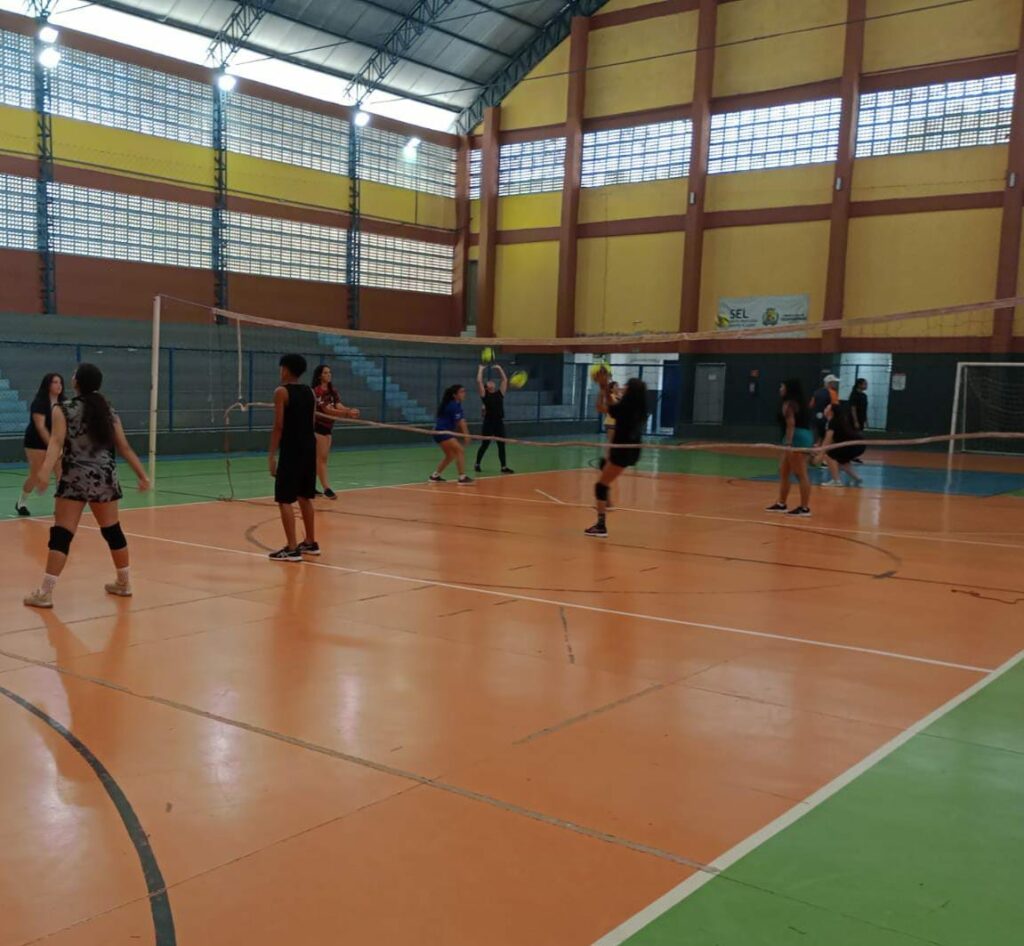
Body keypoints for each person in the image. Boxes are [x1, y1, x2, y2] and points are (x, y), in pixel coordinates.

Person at [23, 364, 150, 609]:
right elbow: (123, 446)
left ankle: (45, 593)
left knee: (62, 534)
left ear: (77, 382)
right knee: (112, 531)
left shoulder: (64, 409)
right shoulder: (108, 410)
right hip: (105, 478)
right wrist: (142, 475)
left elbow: (56, 443)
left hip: (75, 478)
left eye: (73, 375)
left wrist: (44, 471)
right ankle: (124, 583)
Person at [268, 354, 318, 562]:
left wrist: (272, 455)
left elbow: (278, 426)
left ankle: (291, 548)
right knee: (304, 496)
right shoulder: (310, 392)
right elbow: (312, 421)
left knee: (284, 498)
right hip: (309, 446)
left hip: (292, 449)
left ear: (286, 369)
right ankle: (310, 542)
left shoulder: (281, 392)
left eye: (282, 368)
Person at [585, 372, 648, 537]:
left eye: (627, 386)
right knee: (603, 464)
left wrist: (602, 390)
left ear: (631, 391)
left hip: (622, 452)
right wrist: (605, 389)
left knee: (600, 486)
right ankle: (607, 500)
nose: (623, 387)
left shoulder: (625, 409)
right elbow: (613, 405)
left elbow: (601, 407)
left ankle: (601, 525)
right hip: (631, 450)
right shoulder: (637, 407)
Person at [17, 372, 65, 517]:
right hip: (36, 442)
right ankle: (21, 502)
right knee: (36, 474)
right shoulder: (39, 402)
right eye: (55, 382)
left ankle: (60, 506)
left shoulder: (64, 403)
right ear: (48, 385)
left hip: (56, 441)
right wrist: (53, 446)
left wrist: (61, 445)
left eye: (60, 382)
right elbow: (40, 427)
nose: (59, 385)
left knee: (60, 474)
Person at [311, 364, 360, 500]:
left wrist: (350, 410)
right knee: (322, 459)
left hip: (328, 428)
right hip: (318, 427)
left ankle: (308, 486)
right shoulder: (317, 391)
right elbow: (327, 410)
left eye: (330, 372)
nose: (329, 375)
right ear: (319, 376)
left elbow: (338, 405)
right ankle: (326, 488)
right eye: (325, 373)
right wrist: (346, 414)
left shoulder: (333, 391)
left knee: (318, 459)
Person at [766, 378, 813, 517]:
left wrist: (788, 444)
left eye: (782, 387)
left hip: (795, 439)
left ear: (788, 389)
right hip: (801, 436)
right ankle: (781, 504)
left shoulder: (789, 404)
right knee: (784, 471)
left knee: (800, 473)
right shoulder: (799, 403)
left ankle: (804, 508)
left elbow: (791, 425)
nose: (780, 389)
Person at [474, 363, 514, 474]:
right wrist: (480, 369)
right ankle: (477, 464)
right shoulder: (484, 395)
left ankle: (504, 467)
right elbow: (479, 381)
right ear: (487, 387)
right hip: (488, 423)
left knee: (501, 445)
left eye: (492, 382)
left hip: (499, 423)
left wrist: (500, 368)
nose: (491, 382)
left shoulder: (500, 394)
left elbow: (504, 380)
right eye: (489, 382)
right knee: (485, 444)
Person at [429, 384, 473, 484]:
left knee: (450, 455)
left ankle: (435, 476)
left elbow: (458, 421)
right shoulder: (453, 406)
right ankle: (462, 477)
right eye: (461, 392)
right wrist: (467, 436)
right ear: (455, 395)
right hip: (442, 432)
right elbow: (461, 422)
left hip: (440, 432)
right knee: (460, 450)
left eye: (464, 391)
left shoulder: (456, 404)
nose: (464, 394)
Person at [819, 401, 865, 487]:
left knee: (829, 455)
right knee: (843, 461)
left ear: (831, 412)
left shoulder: (833, 422)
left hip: (854, 445)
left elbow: (828, 440)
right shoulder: (836, 421)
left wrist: (820, 454)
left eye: (827, 408)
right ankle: (857, 478)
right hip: (858, 445)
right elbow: (832, 440)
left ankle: (836, 480)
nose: (824, 409)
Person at [810, 373, 839, 463]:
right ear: (829, 383)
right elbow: (836, 407)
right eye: (834, 382)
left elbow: (811, 405)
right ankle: (823, 460)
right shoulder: (832, 393)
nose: (835, 384)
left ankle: (813, 459)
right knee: (828, 440)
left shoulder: (816, 392)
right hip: (826, 420)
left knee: (817, 439)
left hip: (815, 419)